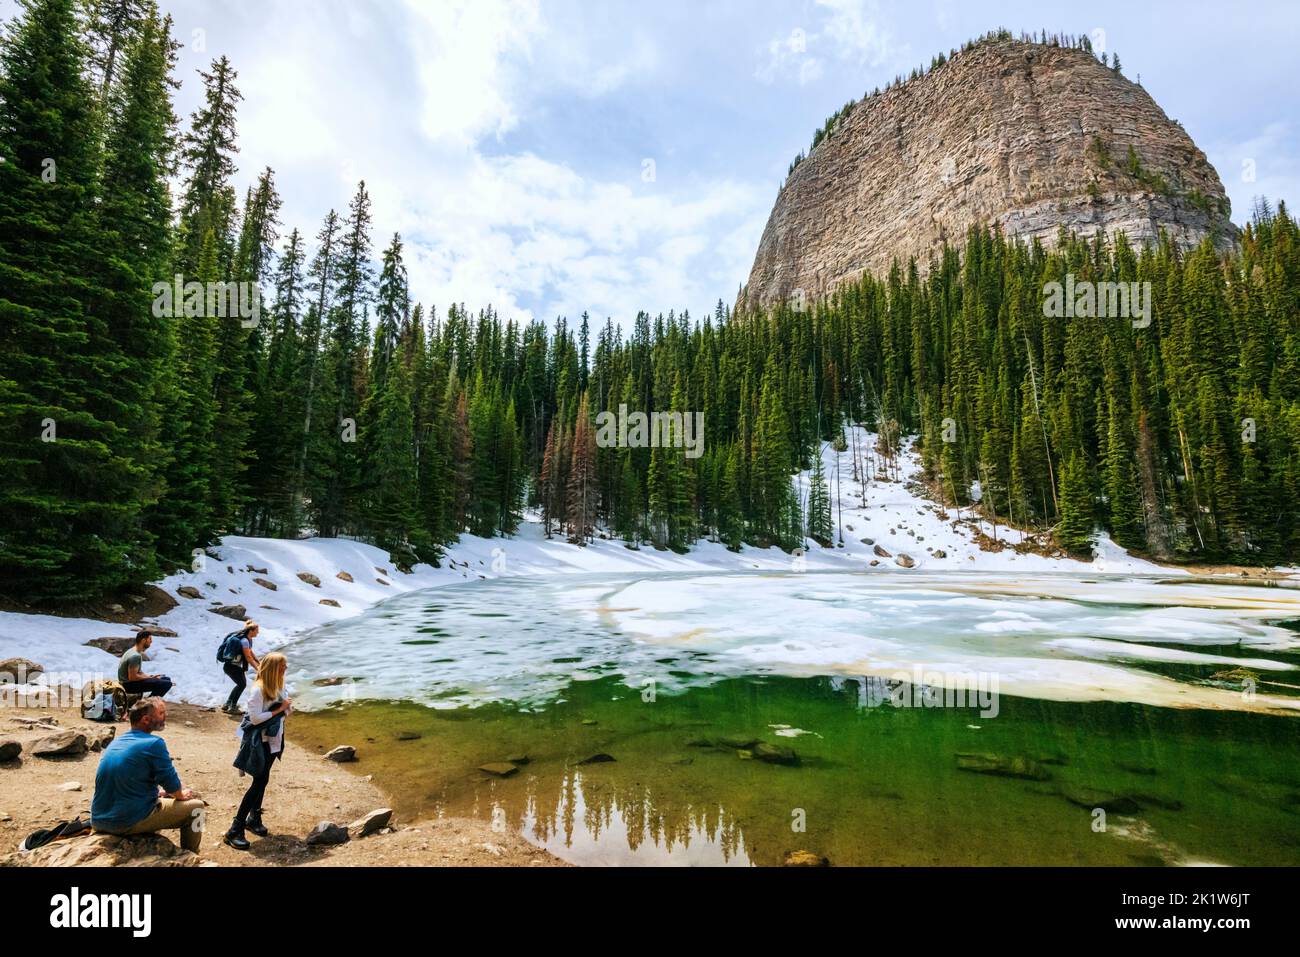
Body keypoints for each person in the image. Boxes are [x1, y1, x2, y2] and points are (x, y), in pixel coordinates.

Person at [90, 698, 205, 853]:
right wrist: (180, 794)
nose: (165, 716)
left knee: (161, 798)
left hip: (98, 818)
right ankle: (192, 854)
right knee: (197, 808)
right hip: (125, 821)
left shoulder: (118, 742)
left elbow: (127, 781)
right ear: (146, 719)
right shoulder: (154, 743)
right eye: (161, 713)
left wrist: (161, 793)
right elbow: (171, 783)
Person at [225, 652, 291, 850]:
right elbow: (254, 718)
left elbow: (286, 709)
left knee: (263, 779)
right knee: (259, 781)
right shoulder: (258, 690)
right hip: (259, 742)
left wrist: (285, 707)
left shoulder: (278, 686)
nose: (285, 669)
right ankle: (234, 829)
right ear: (273, 668)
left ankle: (254, 818)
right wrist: (280, 709)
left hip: (273, 740)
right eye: (282, 666)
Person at [220, 620, 260, 714]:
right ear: (251, 630)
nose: (258, 633)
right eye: (257, 631)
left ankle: (227, 705)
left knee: (240, 685)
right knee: (242, 685)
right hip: (233, 667)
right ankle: (232, 707)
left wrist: (259, 662)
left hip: (230, 666)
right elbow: (248, 658)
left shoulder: (247, 639)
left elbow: (250, 652)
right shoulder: (245, 640)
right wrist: (258, 670)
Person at [117, 631, 173, 698]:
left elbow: (138, 672)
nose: (151, 641)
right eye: (150, 639)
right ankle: (148, 704)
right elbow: (132, 677)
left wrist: (151, 677)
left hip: (129, 683)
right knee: (166, 684)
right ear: (143, 640)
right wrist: (149, 678)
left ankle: (150, 701)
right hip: (128, 685)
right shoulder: (135, 656)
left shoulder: (134, 651)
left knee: (166, 679)